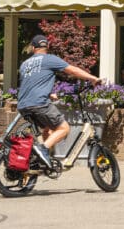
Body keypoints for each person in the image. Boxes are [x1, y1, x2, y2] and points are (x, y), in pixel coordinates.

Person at [15, 34, 98, 162]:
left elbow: (31, 83)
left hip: (23, 105)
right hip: (39, 103)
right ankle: (43, 149)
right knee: (63, 128)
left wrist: (49, 94)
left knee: (48, 128)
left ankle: (44, 159)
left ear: (33, 48)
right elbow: (72, 70)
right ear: (47, 46)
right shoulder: (49, 59)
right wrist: (93, 78)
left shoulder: (24, 64)